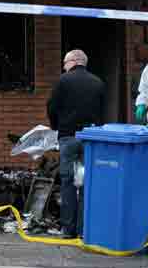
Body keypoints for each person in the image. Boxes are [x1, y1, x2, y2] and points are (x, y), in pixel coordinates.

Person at [46, 49, 105, 239]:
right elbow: (102, 109)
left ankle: (68, 229)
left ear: (73, 61)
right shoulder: (98, 82)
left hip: (68, 137)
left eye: (65, 63)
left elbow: (52, 106)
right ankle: (84, 229)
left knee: (69, 183)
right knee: (88, 183)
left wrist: (57, 127)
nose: (64, 67)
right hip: (90, 138)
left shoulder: (63, 81)